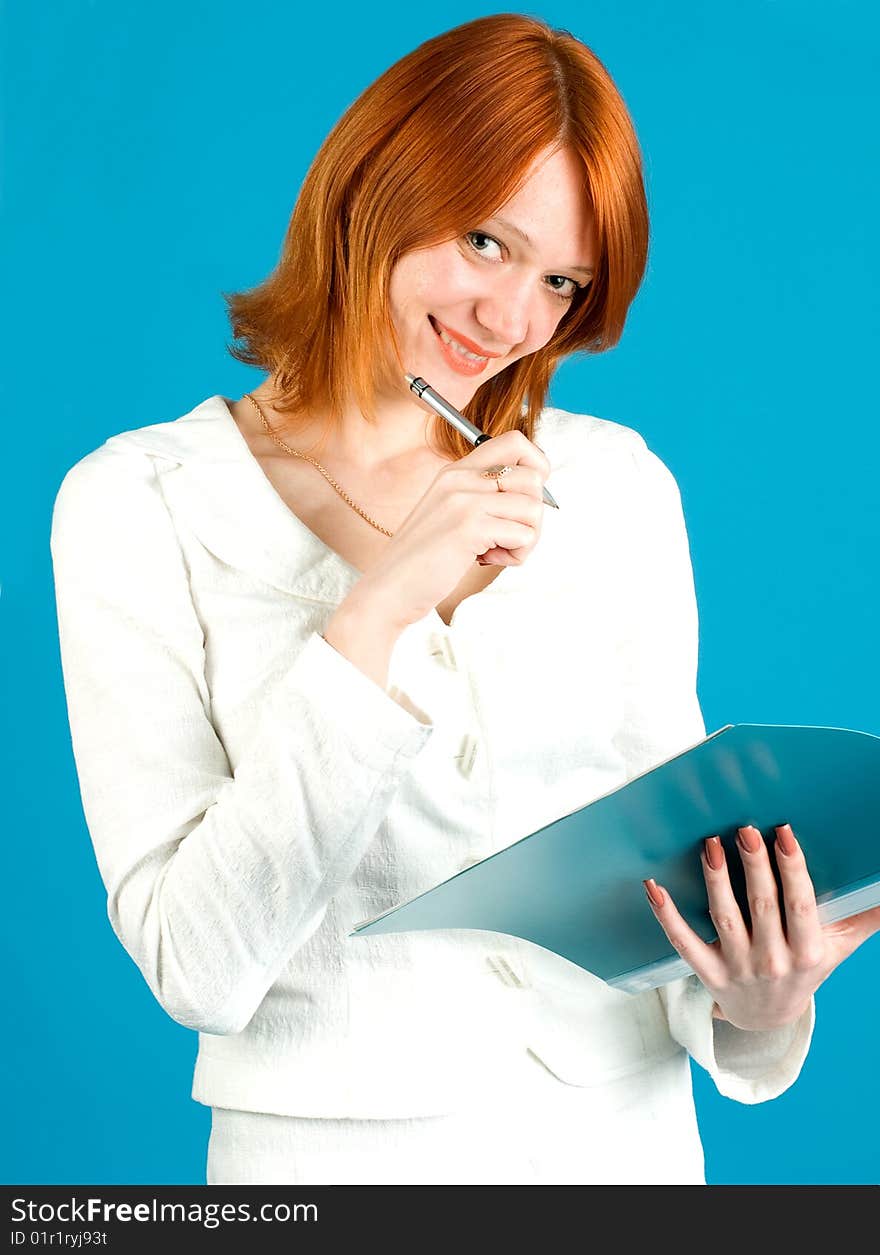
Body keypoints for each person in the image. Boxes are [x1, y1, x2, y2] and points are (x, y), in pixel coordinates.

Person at [49, 13, 879, 1186]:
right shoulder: (141, 502)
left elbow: (676, 903)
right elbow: (196, 962)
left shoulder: (614, 485)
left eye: (560, 281)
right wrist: (374, 611)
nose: (511, 321)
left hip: (626, 1152)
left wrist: (759, 994)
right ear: (376, 189)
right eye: (485, 242)